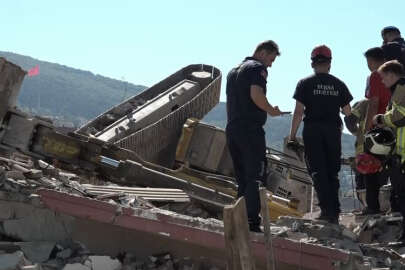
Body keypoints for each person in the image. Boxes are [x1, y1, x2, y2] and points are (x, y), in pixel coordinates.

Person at [289, 45, 353, 224]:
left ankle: (326, 211)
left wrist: (292, 136)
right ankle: (335, 211)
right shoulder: (339, 84)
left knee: (318, 170)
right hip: (333, 131)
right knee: (332, 171)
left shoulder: (305, 83)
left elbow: (299, 112)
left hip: (313, 131)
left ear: (312, 63)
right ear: (330, 64)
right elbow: (348, 112)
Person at [226, 40, 283, 232]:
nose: (271, 64)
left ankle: (238, 218)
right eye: (271, 59)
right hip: (250, 130)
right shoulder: (257, 68)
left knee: (242, 178)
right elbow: (256, 94)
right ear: (263, 53)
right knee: (255, 176)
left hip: (233, 128)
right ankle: (251, 221)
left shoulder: (234, 70)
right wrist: (271, 110)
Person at [373, 60, 405, 240]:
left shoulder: (401, 90)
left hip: (403, 153)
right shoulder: (397, 91)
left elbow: (400, 116)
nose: (382, 82)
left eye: (384, 78)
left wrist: (381, 119)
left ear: (392, 75)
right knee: (398, 196)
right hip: (399, 153)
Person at [360, 47, 391, 215]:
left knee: (370, 168)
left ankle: (372, 206)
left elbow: (373, 103)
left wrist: (367, 130)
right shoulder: (395, 75)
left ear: (371, 61)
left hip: (378, 128)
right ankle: (393, 205)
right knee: (391, 170)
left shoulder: (375, 75)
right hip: (394, 128)